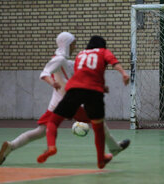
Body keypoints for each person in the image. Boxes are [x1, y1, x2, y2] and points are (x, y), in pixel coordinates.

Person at [0, 32, 130, 165]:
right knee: (98, 123)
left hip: (59, 102)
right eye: (73, 44)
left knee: (42, 131)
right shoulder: (59, 59)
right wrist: (51, 82)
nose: (74, 47)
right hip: (69, 100)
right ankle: (113, 148)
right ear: (66, 44)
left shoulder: (67, 60)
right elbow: (45, 73)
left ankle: (11, 145)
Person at [37, 35, 130, 169]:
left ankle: (51, 147)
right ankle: (101, 160)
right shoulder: (103, 52)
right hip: (94, 92)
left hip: (74, 89)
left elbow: (81, 74)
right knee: (98, 128)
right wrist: (123, 73)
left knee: (53, 121)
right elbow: (113, 62)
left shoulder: (81, 54)